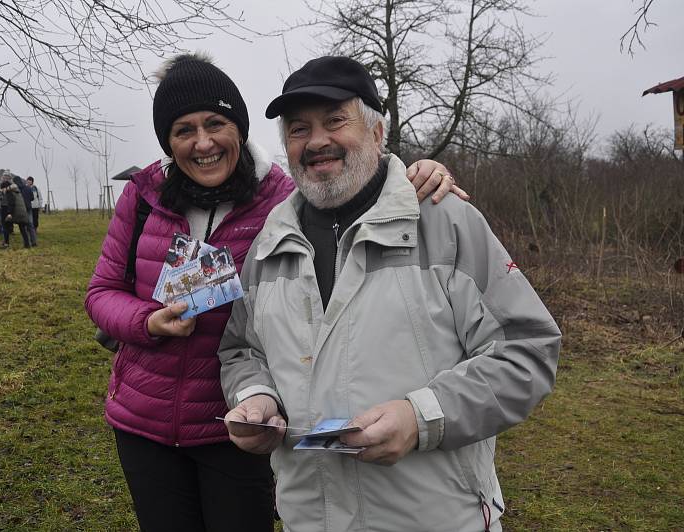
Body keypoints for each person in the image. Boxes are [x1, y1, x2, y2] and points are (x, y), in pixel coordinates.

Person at [84, 53, 461, 532]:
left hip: (241, 424)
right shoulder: (144, 196)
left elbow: (355, 187)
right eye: (184, 130)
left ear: (239, 128)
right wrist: (146, 322)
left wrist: (418, 175)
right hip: (144, 420)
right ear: (168, 141)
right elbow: (101, 293)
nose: (203, 143)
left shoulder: (285, 200)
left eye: (216, 123)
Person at [219, 56, 562, 532]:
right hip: (309, 520)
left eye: (335, 121)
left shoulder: (447, 223)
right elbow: (241, 350)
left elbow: (527, 350)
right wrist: (258, 398)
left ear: (378, 133)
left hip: (436, 519)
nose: (316, 141)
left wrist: (421, 418)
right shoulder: (267, 247)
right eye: (299, 129)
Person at [0, 173, 32, 249]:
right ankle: (27, 244)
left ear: (5, 188)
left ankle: (6, 243)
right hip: (22, 212)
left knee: (5, 227)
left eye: (2, 189)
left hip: (15, 213)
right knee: (22, 228)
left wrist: (9, 213)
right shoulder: (17, 191)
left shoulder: (9, 193)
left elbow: (11, 203)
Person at [13, 176, 38, 246]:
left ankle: (26, 243)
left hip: (20, 210)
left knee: (22, 227)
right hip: (29, 208)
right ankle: (34, 242)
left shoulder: (16, 189)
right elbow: (32, 198)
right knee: (30, 225)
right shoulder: (28, 188)